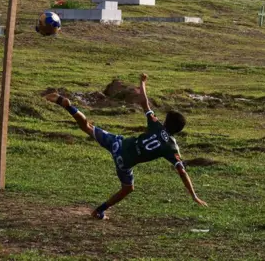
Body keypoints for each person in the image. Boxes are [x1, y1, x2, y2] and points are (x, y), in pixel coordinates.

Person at [45, 74, 208, 220]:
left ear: (166, 122)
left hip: (118, 143)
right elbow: (182, 171)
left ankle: (68, 105)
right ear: (178, 131)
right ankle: (99, 211)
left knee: (87, 126)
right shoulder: (172, 148)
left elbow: (145, 104)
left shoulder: (156, 125)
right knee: (128, 188)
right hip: (123, 161)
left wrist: (142, 83)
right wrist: (193, 195)